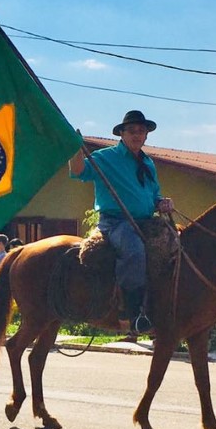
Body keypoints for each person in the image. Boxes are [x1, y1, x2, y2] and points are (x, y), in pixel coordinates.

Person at [68, 110, 174, 336]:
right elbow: (77, 172)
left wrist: (162, 203)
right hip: (115, 222)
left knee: (177, 247)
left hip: (145, 221)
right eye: (132, 131)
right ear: (122, 134)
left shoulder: (148, 163)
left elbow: (154, 194)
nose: (137, 135)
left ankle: (164, 306)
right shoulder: (106, 157)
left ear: (146, 135)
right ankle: (132, 313)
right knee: (134, 251)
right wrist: (74, 148)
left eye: (141, 131)